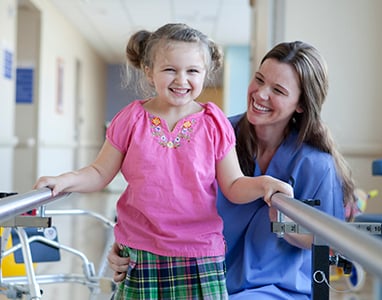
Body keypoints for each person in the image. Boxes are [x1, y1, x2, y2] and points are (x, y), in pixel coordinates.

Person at [33, 23, 293, 300]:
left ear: (205, 73)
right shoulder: (131, 119)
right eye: (170, 69)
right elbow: (99, 172)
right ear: (149, 71)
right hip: (141, 251)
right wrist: (64, 180)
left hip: (199, 254)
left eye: (192, 71)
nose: (181, 80)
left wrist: (263, 183)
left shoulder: (214, 122)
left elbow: (233, 184)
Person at [107, 40, 356, 299]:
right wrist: (130, 244)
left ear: (301, 104)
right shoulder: (213, 132)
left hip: (277, 289)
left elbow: (330, 247)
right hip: (203, 276)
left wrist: (287, 226)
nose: (260, 94)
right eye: (259, 80)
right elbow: (161, 196)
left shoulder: (316, 165)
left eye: (278, 90)